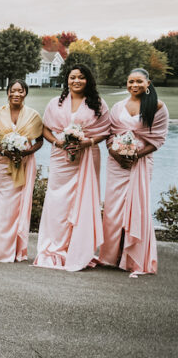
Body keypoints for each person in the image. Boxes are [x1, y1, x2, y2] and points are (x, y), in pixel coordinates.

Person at [34, 64, 110, 272]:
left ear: (88, 81)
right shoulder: (55, 103)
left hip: (87, 156)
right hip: (60, 158)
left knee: (82, 200)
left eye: (81, 77)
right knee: (58, 201)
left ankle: (78, 248)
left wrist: (88, 142)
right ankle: (54, 247)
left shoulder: (98, 104)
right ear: (66, 80)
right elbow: (46, 129)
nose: (76, 81)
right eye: (72, 77)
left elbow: (105, 131)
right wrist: (59, 143)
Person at [99, 68, 168, 276]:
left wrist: (134, 156)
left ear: (148, 83)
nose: (134, 85)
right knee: (113, 209)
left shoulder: (157, 107)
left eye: (139, 81)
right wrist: (117, 154)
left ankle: (133, 256)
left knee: (136, 207)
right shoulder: (118, 106)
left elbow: (157, 140)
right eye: (130, 81)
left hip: (140, 163)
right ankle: (112, 255)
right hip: (116, 164)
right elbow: (109, 135)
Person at [0, 79, 44, 263]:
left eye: (20, 91)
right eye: (13, 90)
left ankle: (17, 250)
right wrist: (6, 152)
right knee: (2, 206)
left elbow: (39, 140)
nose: (16, 94)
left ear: (26, 93)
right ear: (7, 92)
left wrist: (25, 152)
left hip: (25, 163)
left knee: (19, 207)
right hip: (2, 165)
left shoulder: (33, 115)